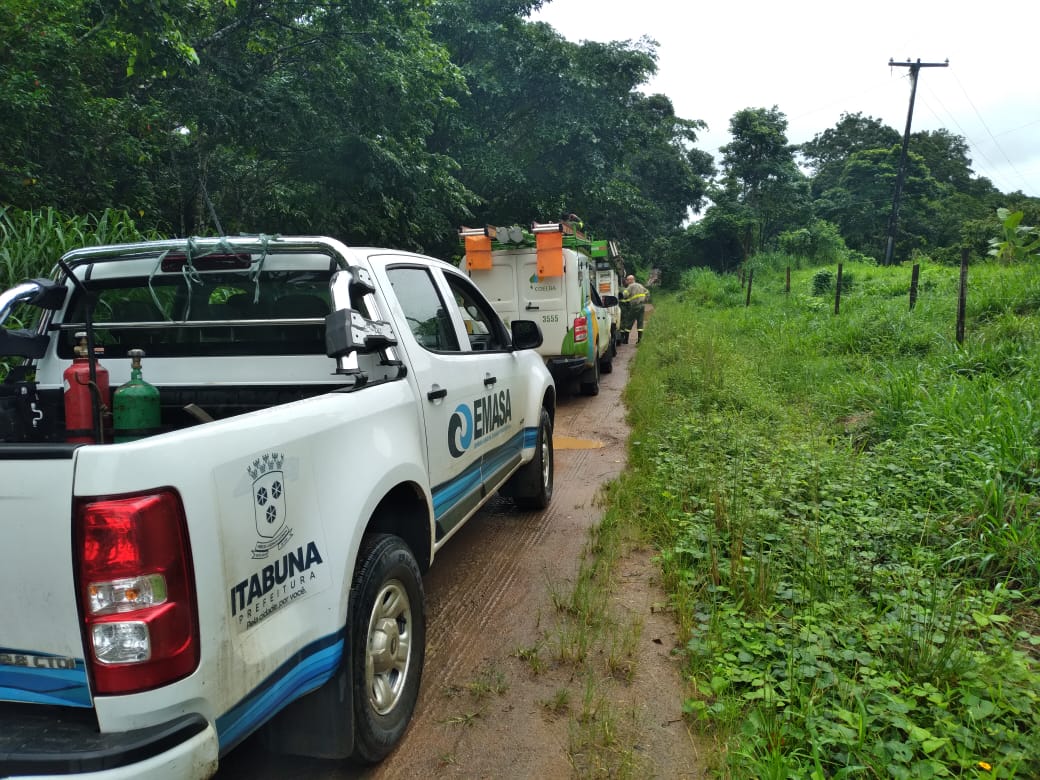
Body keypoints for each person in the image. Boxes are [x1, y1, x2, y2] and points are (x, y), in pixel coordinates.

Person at [619, 274, 649, 344]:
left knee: (629, 322)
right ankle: (639, 340)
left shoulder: (630, 286)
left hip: (635, 306)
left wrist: (619, 296)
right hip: (642, 306)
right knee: (640, 322)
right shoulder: (640, 285)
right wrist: (646, 299)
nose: (627, 281)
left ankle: (626, 340)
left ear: (631, 280)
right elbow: (647, 292)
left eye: (627, 279)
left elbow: (624, 294)